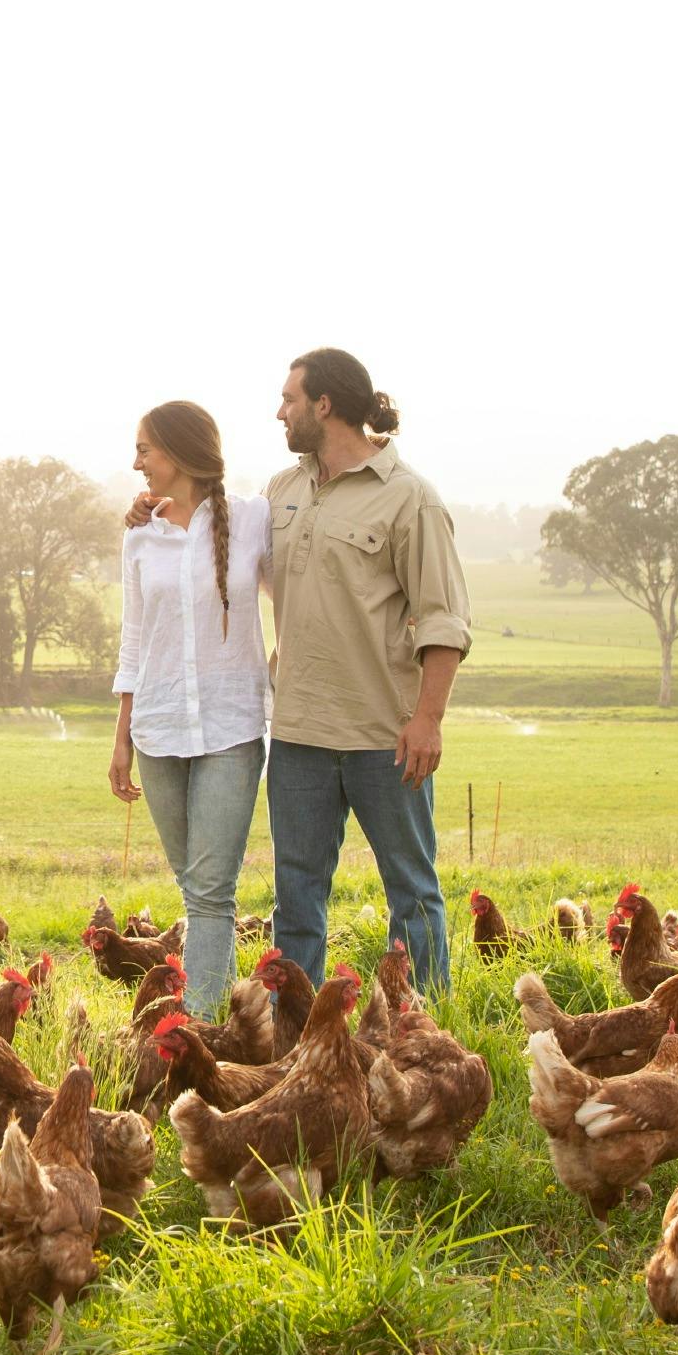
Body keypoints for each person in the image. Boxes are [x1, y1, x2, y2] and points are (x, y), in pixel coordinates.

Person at [129, 347, 471, 993]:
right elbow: (212, 539)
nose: (279, 412)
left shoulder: (410, 499)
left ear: (324, 404)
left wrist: (427, 720)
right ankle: (295, 1041)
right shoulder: (280, 494)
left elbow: (443, 619)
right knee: (297, 898)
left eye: (289, 399)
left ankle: (425, 1031)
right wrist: (151, 511)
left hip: (383, 734)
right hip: (298, 734)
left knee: (412, 889)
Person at [109, 401, 270, 1019]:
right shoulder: (139, 535)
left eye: (145, 449)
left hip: (231, 730)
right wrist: (122, 736)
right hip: (157, 730)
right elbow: (133, 638)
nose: (136, 462)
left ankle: (205, 1029)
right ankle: (216, 1016)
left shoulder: (254, 519)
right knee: (193, 886)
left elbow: (300, 595)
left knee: (209, 893)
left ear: (178, 452)